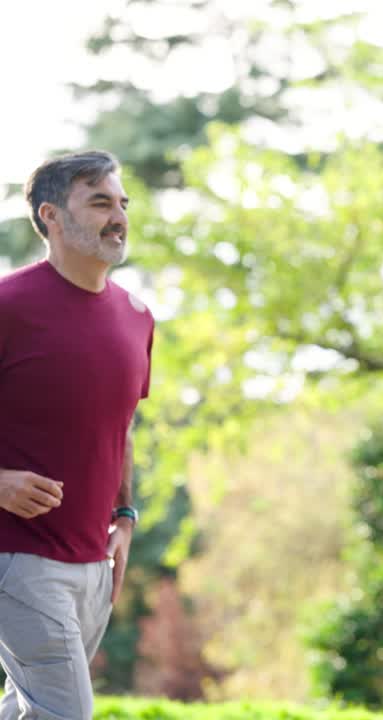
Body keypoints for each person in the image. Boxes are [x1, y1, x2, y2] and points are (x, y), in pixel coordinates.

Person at [0, 150, 153, 719]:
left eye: (122, 204)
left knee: (28, 710)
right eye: (100, 203)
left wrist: (125, 518)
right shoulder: (7, 306)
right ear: (52, 216)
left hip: (94, 563)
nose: (119, 218)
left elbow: (121, 425)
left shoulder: (137, 317)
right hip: (17, 555)